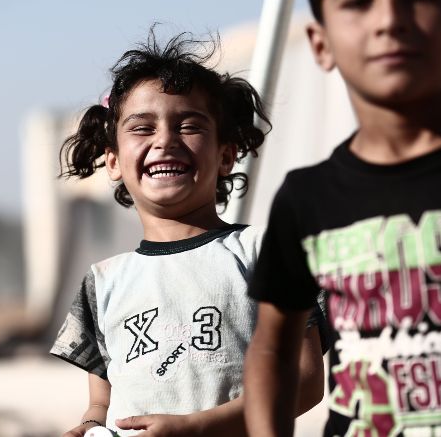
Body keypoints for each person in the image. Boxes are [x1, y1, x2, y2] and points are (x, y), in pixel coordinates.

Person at [243, 0, 441, 436]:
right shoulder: (308, 199)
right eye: (358, 1)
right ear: (321, 44)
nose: (389, 20)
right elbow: (272, 347)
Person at [51, 27, 329, 437]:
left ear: (225, 156)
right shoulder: (104, 282)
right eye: (142, 128)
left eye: (188, 125)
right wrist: (89, 424)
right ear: (112, 161)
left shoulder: (265, 252)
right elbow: (101, 400)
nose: (165, 140)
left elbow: (305, 381)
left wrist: (199, 427)